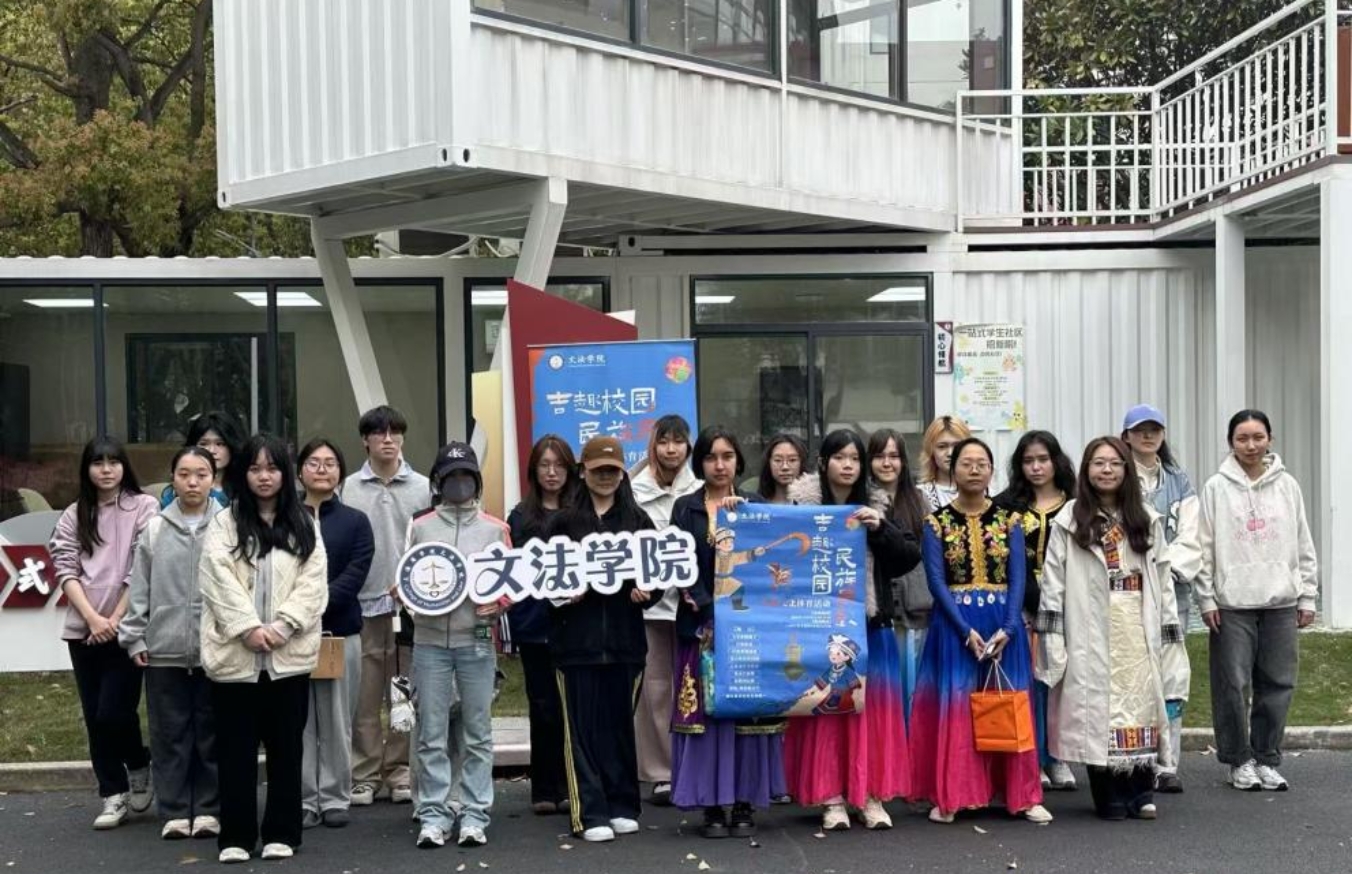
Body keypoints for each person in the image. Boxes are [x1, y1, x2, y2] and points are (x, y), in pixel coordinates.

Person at [1035, 436, 1190, 821]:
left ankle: (1141, 790)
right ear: (1086, 470)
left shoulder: (1146, 519)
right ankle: (1108, 795)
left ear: (1126, 470)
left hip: (1136, 623)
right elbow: (1053, 583)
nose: (1107, 470)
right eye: (1098, 463)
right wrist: (1053, 640)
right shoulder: (1070, 520)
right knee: (1097, 710)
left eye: (1115, 463)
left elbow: (1163, 581)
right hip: (1090, 626)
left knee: (1140, 703)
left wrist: (1168, 632)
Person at [200, 434, 328, 864]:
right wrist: (248, 628)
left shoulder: (304, 523)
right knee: (235, 752)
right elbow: (215, 578)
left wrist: (284, 625)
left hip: (287, 659)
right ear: (243, 474)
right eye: (255, 468)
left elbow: (314, 583)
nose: (264, 476)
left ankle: (282, 833)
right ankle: (236, 836)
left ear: (285, 474)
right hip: (234, 658)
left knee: (286, 750)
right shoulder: (225, 522)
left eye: (272, 468)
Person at [783, 429, 920, 831]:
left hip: (870, 626)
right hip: (818, 629)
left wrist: (880, 528)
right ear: (823, 463)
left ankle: (871, 795)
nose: (848, 466)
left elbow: (907, 557)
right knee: (826, 712)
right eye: (839, 457)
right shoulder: (799, 506)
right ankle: (832, 798)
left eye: (855, 459)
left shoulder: (878, 504)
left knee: (872, 714)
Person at [909, 438, 1051, 825]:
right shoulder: (936, 523)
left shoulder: (1010, 521)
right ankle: (955, 794)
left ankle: (1022, 795)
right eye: (966, 463)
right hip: (954, 625)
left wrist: (1009, 627)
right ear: (951, 470)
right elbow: (936, 582)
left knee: (1009, 702)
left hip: (1003, 624)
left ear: (991, 471)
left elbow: (1019, 578)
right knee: (957, 705)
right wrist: (963, 629)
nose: (974, 469)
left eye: (982, 463)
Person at [669, 426, 786, 839]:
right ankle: (711, 804)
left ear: (738, 460)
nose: (719, 465)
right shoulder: (685, 508)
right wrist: (708, 611)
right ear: (699, 463)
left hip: (747, 631)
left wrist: (742, 518)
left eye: (727, 456)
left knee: (744, 716)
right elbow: (679, 565)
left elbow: (768, 565)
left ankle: (743, 801)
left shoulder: (755, 505)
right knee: (707, 719)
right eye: (711, 457)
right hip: (700, 628)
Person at [1196, 410, 1318, 792]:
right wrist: (1206, 598)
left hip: (1281, 600)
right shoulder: (1216, 487)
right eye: (1242, 438)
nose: (1251, 445)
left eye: (1258, 437)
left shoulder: (1287, 485)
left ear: (1270, 439)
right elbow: (1204, 546)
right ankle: (1238, 760)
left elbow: (1302, 541)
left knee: (1278, 683)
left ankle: (1267, 758)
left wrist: (1307, 594)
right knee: (1232, 685)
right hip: (1232, 603)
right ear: (1230, 443)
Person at [548, 435, 658, 842]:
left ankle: (622, 805)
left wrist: (648, 592)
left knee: (620, 728)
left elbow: (658, 574)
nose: (606, 477)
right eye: (598, 470)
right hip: (575, 646)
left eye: (613, 470)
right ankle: (589, 813)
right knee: (581, 732)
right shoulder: (563, 523)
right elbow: (544, 582)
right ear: (583, 472)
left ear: (623, 473)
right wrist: (565, 594)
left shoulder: (638, 521)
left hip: (626, 645)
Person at [50, 436, 160, 830]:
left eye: (114, 462)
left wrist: (115, 618)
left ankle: (139, 763)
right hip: (84, 630)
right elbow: (66, 569)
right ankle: (112, 793)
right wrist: (93, 619)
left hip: (128, 628)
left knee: (115, 711)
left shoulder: (144, 507)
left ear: (124, 466)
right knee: (95, 717)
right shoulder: (74, 514)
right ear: (87, 469)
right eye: (98, 463)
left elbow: (142, 565)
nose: (107, 469)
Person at [406, 442, 511, 849]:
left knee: (477, 732)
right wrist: (406, 595)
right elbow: (407, 575)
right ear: (438, 481)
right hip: (429, 641)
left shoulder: (495, 528)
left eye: (466, 476)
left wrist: (499, 602)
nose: (459, 483)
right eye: (451, 477)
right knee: (431, 731)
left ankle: (474, 813)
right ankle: (433, 813)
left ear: (477, 481)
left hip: (477, 640)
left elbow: (511, 582)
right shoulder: (420, 527)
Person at [119, 446, 223, 840]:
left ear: (214, 479)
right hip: (163, 650)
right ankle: (176, 810)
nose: (193, 482)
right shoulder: (155, 529)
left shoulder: (229, 526)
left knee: (212, 733)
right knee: (170, 735)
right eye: (184, 474)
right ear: (173, 479)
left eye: (201, 474)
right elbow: (139, 588)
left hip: (216, 649)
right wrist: (134, 638)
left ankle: (210, 808)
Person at [342, 405, 429, 806]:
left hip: (409, 609)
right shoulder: (348, 488)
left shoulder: (424, 487)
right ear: (366, 440)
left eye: (395, 432)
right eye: (379, 433)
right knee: (364, 695)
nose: (388, 440)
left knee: (402, 692)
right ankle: (364, 774)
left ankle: (399, 772)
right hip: (361, 605)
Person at [1120, 404, 1203, 794]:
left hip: (1171, 591)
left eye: (1154, 429)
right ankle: (1135, 757)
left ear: (1163, 435)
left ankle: (1167, 763)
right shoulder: (1119, 479)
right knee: (1133, 672)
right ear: (1126, 437)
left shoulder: (1179, 481)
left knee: (1171, 674)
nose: (1148, 436)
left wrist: (1165, 571)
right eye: (1140, 430)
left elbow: (1193, 536)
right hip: (1128, 591)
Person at [993, 430, 1079, 791]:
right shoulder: (1005, 506)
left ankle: (1060, 756)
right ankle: (1035, 757)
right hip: (1023, 604)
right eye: (1028, 461)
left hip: (1072, 602)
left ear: (1056, 461)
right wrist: (1032, 599)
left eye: (1043, 459)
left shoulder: (1076, 503)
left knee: (1064, 681)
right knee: (1032, 682)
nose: (1036, 467)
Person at [297, 439, 373, 830]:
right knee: (298, 721)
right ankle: (304, 798)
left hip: (339, 632)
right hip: (291, 635)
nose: (322, 469)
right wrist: (295, 613)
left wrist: (314, 604)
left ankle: (334, 796)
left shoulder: (355, 521)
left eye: (330, 462)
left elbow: (356, 572)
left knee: (338, 719)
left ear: (341, 472)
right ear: (300, 471)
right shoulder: (284, 519)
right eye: (313, 462)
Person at [629, 415, 702, 805]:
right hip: (652, 607)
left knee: (693, 686)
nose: (671, 449)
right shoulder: (633, 489)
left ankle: (695, 766)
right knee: (655, 689)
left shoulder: (701, 487)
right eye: (664, 441)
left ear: (689, 446)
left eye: (678, 441)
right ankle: (661, 772)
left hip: (695, 605)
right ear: (653, 446)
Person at [506, 435, 577, 815]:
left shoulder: (582, 512)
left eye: (559, 465)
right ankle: (544, 787)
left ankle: (570, 786)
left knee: (571, 708)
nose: (552, 473)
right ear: (533, 470)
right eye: (544, 465)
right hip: (534, 624)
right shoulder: (520, 516)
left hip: (574, 623)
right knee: (542, 705)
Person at [866, 428, 931, 717]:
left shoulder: (918, 500)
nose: (887, 463)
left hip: (915, 609)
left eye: (893, 456)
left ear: (903, 461)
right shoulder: (864, 501)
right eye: (879, 456)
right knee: (883, 695)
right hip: (878, 610)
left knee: (913, 691)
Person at [159, 411, 244, 509]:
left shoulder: (245, 488)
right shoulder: (176, 492)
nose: (212, 451)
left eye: (220, 444)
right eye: (203, 444)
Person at [917, 416, 973, 511]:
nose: (950, 453)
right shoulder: (919, 496)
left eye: (957, 446)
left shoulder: (985, 493)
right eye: (942, 447)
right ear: (931, 452)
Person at [757, 433, 807, 505]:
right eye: (778, 460)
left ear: (802, 462)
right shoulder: (755, 503)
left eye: (792, 460)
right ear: (768, 463)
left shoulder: (813, 504)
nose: (785, 467)